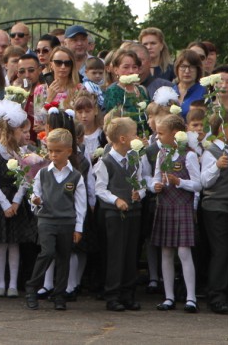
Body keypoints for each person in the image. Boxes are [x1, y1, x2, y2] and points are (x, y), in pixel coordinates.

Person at [25, 128, 85, 311]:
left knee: (64, 257)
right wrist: (35, 201)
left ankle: (59, 295)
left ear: (68, 151)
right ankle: (32, 288)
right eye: (50, 151)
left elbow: (80, 204)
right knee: (47, 252)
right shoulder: (43, 173)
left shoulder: (75, 176)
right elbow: (36, 195)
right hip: (47, 220)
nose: (53, 155)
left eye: (57, 151)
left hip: (67, 222)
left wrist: (79, 228)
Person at [0, 101, 36, 298]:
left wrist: (16, 203)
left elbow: (25, 180)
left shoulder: (21, 153)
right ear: (11, 131)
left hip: (15, 201)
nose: (25, 134)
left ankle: (13, 283)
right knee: (0, 244)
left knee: (14, 244)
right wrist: (5, 203)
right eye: (22, 130)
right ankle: (1, 282)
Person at [95, 116, 148, 312]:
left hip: (133, 211)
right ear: (124, 139)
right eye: (134, 134)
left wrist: (139, 193)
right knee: (115, 254)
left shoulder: (135, 159)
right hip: (113, 214)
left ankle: (128, 293)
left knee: (130, 253)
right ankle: (113, 294)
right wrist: (116, 200)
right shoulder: (105, 162)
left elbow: (142, 182)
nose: (138, 137)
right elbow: (100, 189)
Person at [150, 114, 202, 313]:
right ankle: (169, 296)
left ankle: (191, 297)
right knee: (166, 251)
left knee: (183, 252)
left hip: (182, 206)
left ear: (175, 134)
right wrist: (155, 185)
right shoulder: (162, 153)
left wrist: (179, 182)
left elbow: (198, 184)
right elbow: (155, 178)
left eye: (161, 133)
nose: (158, 136)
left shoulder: (188, 155)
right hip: (165, 205)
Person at [199, 109, 228, 314]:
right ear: (221, 129)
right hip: (216, 206)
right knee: (221, 250)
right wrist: (216, 166)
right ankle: (216, 295)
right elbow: (204, 182)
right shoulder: (212, 152)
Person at [173, 51, 206, 117]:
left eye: (192, 67)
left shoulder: (204, 92)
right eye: (183, 67)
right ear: (177, 69)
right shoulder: (170, 91)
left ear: (198, 70)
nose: (187, 71)